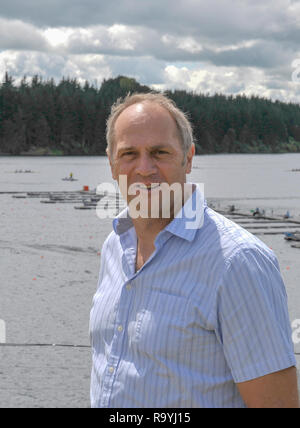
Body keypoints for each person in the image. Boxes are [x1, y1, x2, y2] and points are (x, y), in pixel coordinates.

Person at [89, 92, 299, 408]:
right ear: (110, 162)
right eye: (129, 154)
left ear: (188, 158)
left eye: (160, 152)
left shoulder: (238, 262)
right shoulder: (115, 246)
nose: (145, 169)